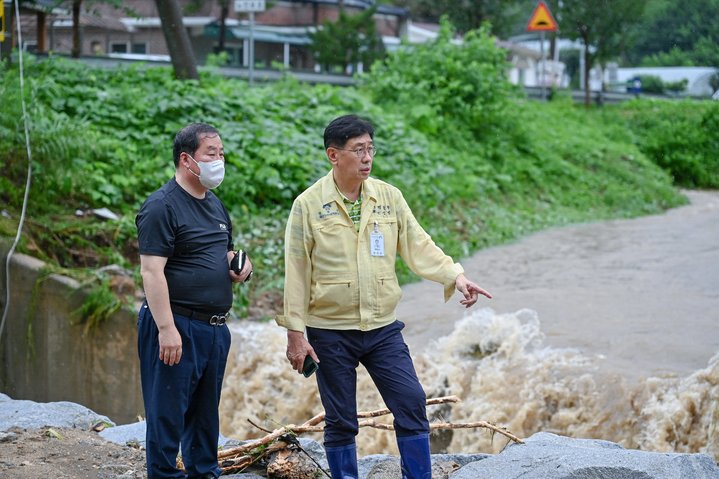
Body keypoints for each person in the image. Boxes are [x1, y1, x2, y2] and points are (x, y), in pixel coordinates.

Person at [276, 114, 492, 479]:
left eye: (370, 149)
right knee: (341, 420)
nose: (367, 157)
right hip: (330, 330)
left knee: (411, 401)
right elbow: (296, 271)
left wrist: (456, 276)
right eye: (358, 150)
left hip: (381, 328)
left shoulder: (388, 197)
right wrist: (295, 334)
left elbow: (418, 244)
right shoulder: (308, 205)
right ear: (333, 154)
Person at [136, 123, 253, 479]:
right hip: (176, 324)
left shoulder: (215, 205)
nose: (219, 161)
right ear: (187, 159)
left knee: (205, 416)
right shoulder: (161, 206)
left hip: (214, 328)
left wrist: (240, 267)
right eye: (211, 154)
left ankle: (205, 473)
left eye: (221, 154)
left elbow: (224, 251)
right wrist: (166, 328)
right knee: (168, 413)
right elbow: (152, 272)